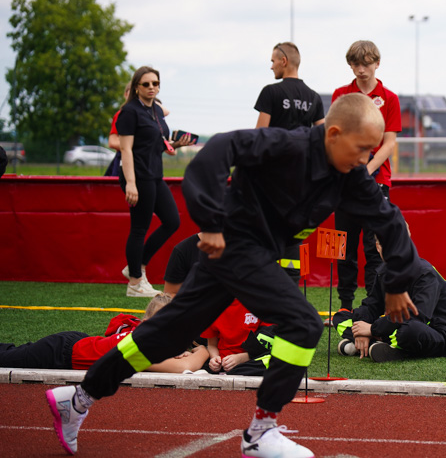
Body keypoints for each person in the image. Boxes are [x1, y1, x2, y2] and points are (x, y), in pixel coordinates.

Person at [45, 93, 422, 458]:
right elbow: (215, 153)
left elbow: (389, 222)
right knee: (304, 322)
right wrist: (209, 221)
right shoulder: (283, 145)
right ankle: (260, 432)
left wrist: (396, 283)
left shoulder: (351, 175)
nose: (366, 159)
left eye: (371, 151)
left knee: (165, 333)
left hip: (243, 258)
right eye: (361, 149)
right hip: (234, 245)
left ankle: (78, 398)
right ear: (334, 134)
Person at [331, 40, 402, 314]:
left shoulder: (390, 98)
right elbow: (334, 136)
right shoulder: (340, 94)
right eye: (355, 64)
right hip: (344, 182)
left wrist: (365, 171)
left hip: (377, 182)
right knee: (344, 248)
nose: (361, 69)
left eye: (366, 63)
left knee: (374, 249)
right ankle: (345, 308)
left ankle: (372, 309)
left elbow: (389, 143)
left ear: (377, 63)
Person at [116, 66, 193, 297]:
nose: (152, 88)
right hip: (137, 176)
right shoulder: (129, 112)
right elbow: (126, 150)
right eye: (146, 84)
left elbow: (155, 143)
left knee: (172, 221)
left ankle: (135, 266)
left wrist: (175, 145)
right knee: (139, 227)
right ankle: (135, 283)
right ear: (137, 87)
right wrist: (130, 183)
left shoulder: (156, 111)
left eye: (155, 84)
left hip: (154, 174)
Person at [254, 42, 325, 283]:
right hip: (301, 179)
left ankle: (269, 291)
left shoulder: (270, 92)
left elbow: (258, 136)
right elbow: (323, 138)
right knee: (293, 236)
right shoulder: (314, 97)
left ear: (284, 61)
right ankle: (291, 289)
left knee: (268, 232)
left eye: (273, 60)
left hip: (273, 178)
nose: (271, 65)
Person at [332, 231, 446, 362]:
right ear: (377, 247)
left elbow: (417, 315)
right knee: (340, 317)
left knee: (410, 330)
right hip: (394, 327)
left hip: (432, 333)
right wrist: (360, 329)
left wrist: (372, 329)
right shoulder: (383, 272)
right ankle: (380, 346)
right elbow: (372, 306)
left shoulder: (425, 273)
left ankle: (376, 345)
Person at [2, 294, 207, 372]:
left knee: (20, 352)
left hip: (78, 344)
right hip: (60, 352)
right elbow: (185, 366)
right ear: (145, 323)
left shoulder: (146, 341)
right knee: (10, 358)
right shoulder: (140, 347)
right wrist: (206, 349)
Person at [204, 298, 270, 376]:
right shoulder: (212, 308)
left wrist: (242, 358)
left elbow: (267, 344)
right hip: (223, 363)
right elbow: (211, 345)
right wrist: (214, 358)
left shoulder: (260, 303)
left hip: (253, 360)